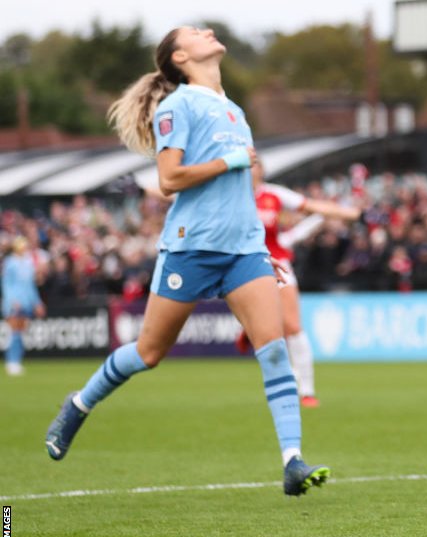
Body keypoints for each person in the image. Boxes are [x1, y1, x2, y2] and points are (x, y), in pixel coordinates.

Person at [43, 26, 329, 496]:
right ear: (180, 56)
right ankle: (77, 405)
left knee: (274, 348)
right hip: (191, 247)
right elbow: (170, 177)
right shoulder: (178, 106)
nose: (207, 31)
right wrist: (229, 162)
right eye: (196, 32)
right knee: (148, 353)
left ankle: (292, 461)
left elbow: (241, 193)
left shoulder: (234, 110)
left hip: (243, 251)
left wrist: (260, 249)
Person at [236, 156, 363, 408]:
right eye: (248, 166)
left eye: (256, 165)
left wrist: (350, 213)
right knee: (268, 332)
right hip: (245, 265)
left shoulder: (274, 195)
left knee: (293, 326)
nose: (252, 170)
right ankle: (252, 331)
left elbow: (312, 207)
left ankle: (307, 390)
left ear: (262, 169)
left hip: (277, 263)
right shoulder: (231, 197)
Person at [2, 236, 46, 376]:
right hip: (15, 303)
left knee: (21, 331)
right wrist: (12, 300)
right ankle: (12, 361)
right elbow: (6, 284)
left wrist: (37, 302)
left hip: (26, 302)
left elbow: (30, 286)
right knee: (15, 331)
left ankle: (16, 360)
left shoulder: (28, 263)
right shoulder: (10, 263)